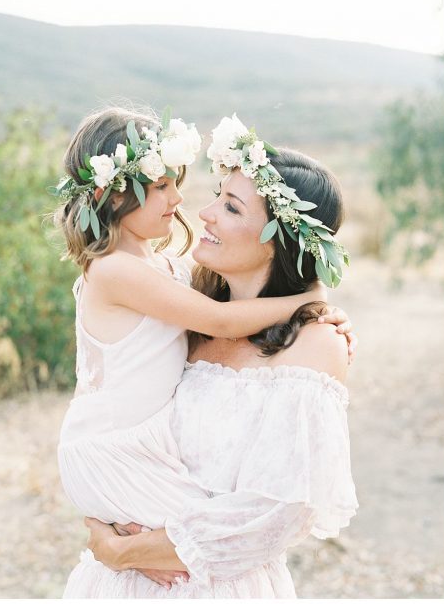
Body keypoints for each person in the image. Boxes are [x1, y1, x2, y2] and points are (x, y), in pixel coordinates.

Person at [53, 108, 356, 596]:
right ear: (113, 194)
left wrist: (128, 551)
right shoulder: (181, 299)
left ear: (280, 241)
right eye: (217, 197)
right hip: (116, 502)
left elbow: (273, 515)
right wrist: (309, 300)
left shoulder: (307, 344)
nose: (202, 211)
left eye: (231, 208)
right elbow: (216, 322)